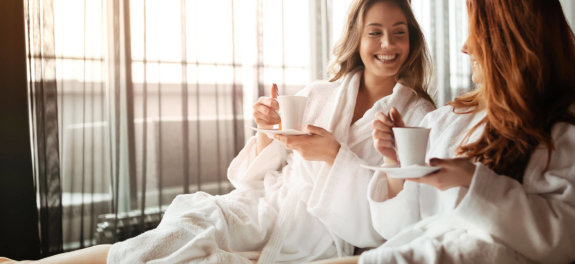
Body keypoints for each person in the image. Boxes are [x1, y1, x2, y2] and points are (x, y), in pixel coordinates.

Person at [0, 0, 435, 263]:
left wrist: (333, 156)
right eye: (375, 32)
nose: (387, 45)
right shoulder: (322, 92)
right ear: (358, 39)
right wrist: (266, 130)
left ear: (411, 40)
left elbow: (395, 217)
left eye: (399, 34)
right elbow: (249, 176)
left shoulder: (416, 113)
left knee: (191, 247)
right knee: (189, 225)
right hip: (264, 206)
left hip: (320, 231)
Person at [321, 0, 575, 263]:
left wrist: (473, 181)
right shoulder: (447, 119)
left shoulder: (561, 124)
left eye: (478, 34)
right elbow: (397, 229)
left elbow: (562, 238)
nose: (466, 47)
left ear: (516, 38)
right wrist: (396, 162)